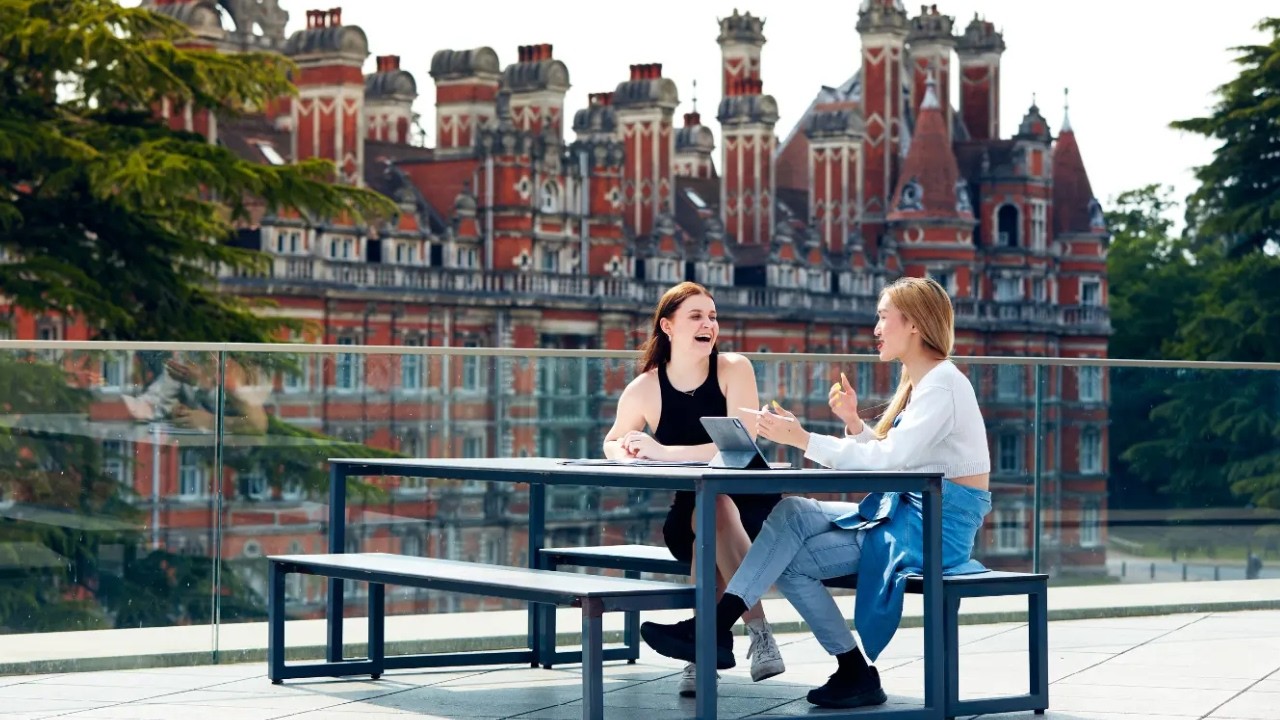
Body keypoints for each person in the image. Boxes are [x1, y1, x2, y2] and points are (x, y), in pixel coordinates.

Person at [639, 276, 993, 709]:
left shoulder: (942, 385)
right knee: (790, 514)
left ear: (915, 324)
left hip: (934, 529)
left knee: (787, 555)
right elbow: (895, 455)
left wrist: (802, 438)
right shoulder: (924, 383)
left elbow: (888, 464)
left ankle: (843, 666)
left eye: (883, 317)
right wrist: (853, 424)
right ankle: (720, 629)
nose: (876, 328)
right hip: (908, 512)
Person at [602, 281, 786, 696]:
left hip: (755, 508)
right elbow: (611, 439)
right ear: (667, 326)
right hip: (689, 514)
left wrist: (661, 452)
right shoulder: (645, 387)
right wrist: (627, 453)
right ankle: (755, 635)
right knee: (709, 513)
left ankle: (702, 654)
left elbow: (744, 442)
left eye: (713, 316)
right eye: (697, 316)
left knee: (716, 513)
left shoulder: (734, 368)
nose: (709, 324)